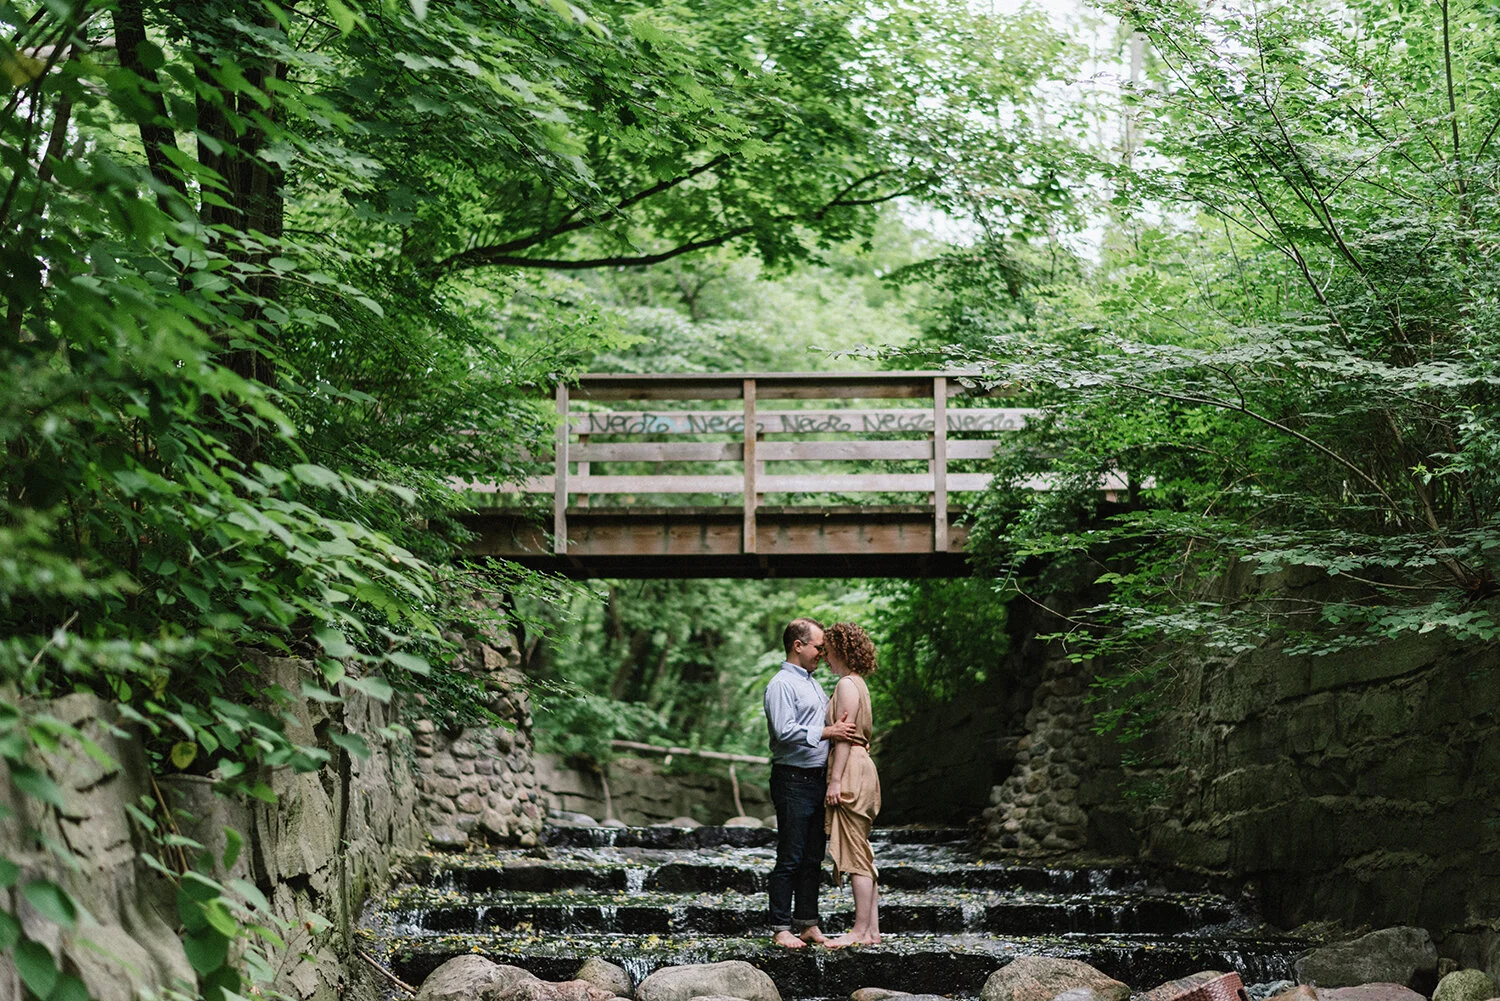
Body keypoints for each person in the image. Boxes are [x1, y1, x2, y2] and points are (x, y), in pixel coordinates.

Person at [763, 617, 858, 949]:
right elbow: (783, 731)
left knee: (812, 857)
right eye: (819, 647)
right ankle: (779, 927)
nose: (823, 652)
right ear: (798, 646)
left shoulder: (814, 684)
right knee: (790, 855)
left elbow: (830, 726)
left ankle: (807, 923)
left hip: (817, 780)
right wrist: (830, 732)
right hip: (792, 779)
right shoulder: (781, 684)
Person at [822, 621, 883, 946]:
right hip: (862, 767)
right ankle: (872, 931)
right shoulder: (858, 683)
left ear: (841, 650)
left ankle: (860, 930)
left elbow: (843, 738)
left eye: (828, 650)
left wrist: (834, 781)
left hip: (851, 771)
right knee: (862, 849)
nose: (825, 657)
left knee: (855, 853)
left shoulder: (846, 684)